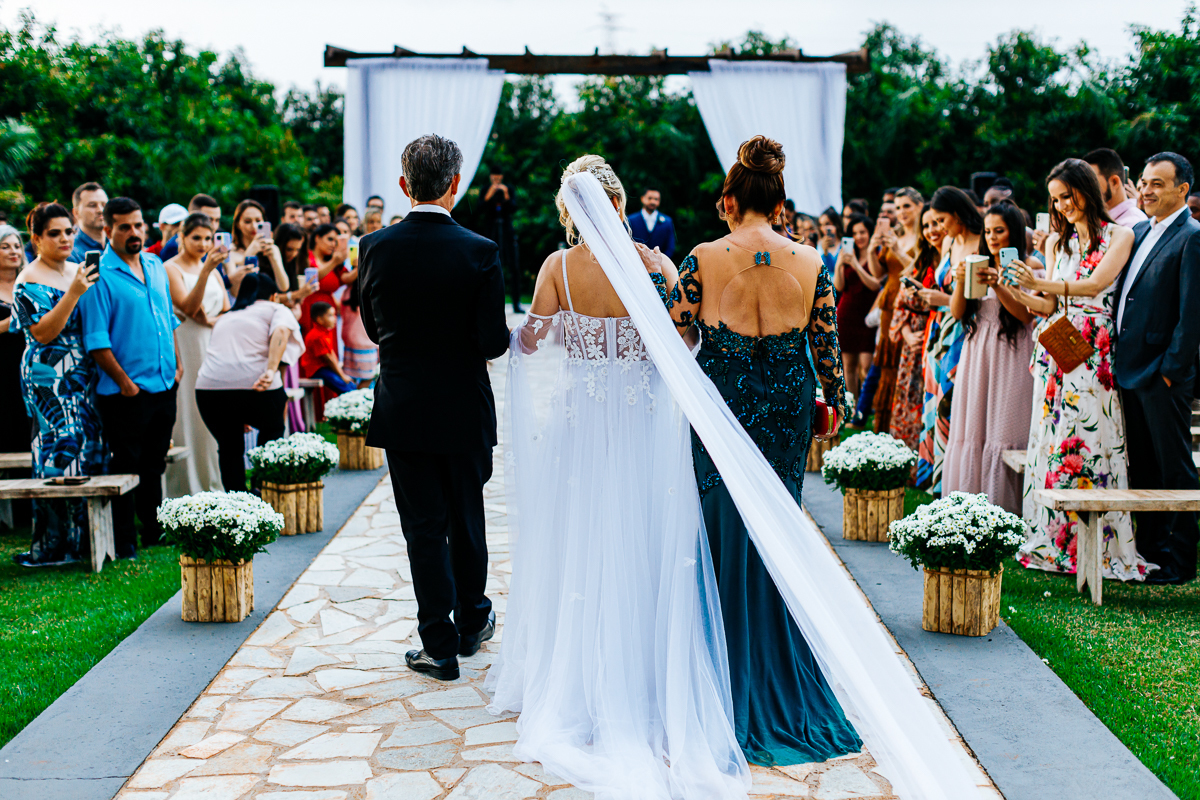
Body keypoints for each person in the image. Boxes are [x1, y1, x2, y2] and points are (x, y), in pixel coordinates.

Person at [487, 154, 751, 796]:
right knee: (642, 535)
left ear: (568, 211)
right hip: (640, 422)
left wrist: (529, 335)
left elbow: (530, 342)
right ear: (620, 202)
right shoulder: (656, 266)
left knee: (581, 537)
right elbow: (684, 345)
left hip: (581, 423)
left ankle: (578, 674)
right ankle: (645, 675)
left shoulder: (557, 268)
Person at [661, 136, 861, 767]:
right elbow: (827, 352)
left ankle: (719, 671)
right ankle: (778, 668)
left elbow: (674, 335)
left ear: (729, 201)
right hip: (784, 411)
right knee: (774, 527)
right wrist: (836, 404)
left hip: (721, 407)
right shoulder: (812, 261)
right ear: (779, 204)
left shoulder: (702, 258)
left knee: (721, 527)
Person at [357, 133, 509, 681]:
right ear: (455, 185)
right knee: (467, 518)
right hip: (465, 408)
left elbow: (372, 327)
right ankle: (472, 622)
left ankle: (439, 647)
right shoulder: (480, 250)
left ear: (404, 185)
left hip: (404, 408)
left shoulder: (373, 247)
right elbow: (493, 341)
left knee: (423, 528)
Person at [1007, 158, 1149, 580]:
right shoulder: (1056, 243)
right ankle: (1054, 539)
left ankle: (1100, 546)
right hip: (1057, 345)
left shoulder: (1120, 235)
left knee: (1091, 435)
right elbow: (1048, 305)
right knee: (1052, 437)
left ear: (1086, 190)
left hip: (1093, 349)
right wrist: (1016, 288)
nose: (1062, 206)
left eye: (1066, 196)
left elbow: (1094, 285)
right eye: (1055, 199)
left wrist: (1040, 283)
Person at [1112, 152, 1200, 583]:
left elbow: (1192, 314)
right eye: (1144, 182)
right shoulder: (1141, 230)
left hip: (1162, 374)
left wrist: (1170, 370)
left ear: (1183, 189)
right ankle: (1149, 550)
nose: (1146, 190)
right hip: (1130, 367)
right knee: (1143, 466)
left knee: (1174, 467)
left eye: (1157, 184)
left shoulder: (1192, 237)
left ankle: (1181, 561)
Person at [79, 197, 180, 556]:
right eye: (124, 227)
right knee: (125, 466)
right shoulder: (97, 274)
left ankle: (154, 529)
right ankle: (124, 540)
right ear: (108, 230)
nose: (134, 232)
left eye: (138, 225)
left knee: (154, 463)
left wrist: (178, 366)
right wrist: (125, 383)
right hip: (125, 392)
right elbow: (96, 340)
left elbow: (169, 319)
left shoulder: (155, 264)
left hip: (165, 383)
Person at [12, 204, 106, 566]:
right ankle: (54, 544)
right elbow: (43, 332)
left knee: (87, 446)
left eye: (69, 231)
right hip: (48, 375)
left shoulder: (76, 269)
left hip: (81, 372)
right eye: (55, 233)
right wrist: (74, 293)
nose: (65, 238)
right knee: (57, 450)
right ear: (36, 239)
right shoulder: (28, 279)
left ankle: (85, 540)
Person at [941, 202, 1038, 513]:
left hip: (1012, 350)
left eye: (999, 230)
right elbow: (958, 312)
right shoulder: (976, 262)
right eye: (987, 231)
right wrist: (961, 280)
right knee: (973, 426)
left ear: (1014, 232)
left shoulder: (1028, 266)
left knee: (1005, 426)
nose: (992, 237)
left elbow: (1025, 315)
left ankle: (1006, 508)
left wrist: (998, 283)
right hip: (977, 350)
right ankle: (969, 506)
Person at [195, 272, 302, 492]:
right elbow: (281, 331)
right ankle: (262, 488)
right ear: (273, 296)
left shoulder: (226, 316)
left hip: (210, 390)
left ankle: (237, 500)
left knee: (229, 446)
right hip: (257, 387)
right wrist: (271, 370)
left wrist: (238, 411)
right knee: (272, 432)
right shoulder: (276, 309)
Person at [915, 187, 981, 494]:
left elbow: (974, 299)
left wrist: (941, 299)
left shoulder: (981, 242)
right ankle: (937, 478)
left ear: (957, 214)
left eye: (942, 220)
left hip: (964, 331)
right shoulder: (951, 242)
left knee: (951, 404)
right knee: (936, 398)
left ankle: (954, 480)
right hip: (940, 331)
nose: (940, 227)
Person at [163, 213, 228, 496]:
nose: (203, 244)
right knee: (188, 409)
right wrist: (205, 272)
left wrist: (212, 320)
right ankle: (184, 486)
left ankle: (213, 481)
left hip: (212, 342)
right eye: (196, 238)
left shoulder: (213, 270)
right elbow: (188, 307)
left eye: (208, 238)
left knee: (212, 412)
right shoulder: (170, 268)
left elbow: (226, 308)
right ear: (182, 237)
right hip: (186, 343)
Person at [868, 187, 922, 432]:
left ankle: (904, 425)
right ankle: (884, 427)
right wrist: (872, 250)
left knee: (904, 363)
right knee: (887, 366)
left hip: (911, 305)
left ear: (920, 206)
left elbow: (920, 271)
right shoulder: (895, 235)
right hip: (889, 303)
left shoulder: (924, 237)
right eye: (898, 207)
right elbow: (878, 273)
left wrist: (898, 252)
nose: (901, 212)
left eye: (906, 206)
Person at [888, 205, 941, 451]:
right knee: (910, 398)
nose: (931, 230)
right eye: (926, 226)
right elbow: (900, 305)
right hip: (914, 342)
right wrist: (907, 334)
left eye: (936, 223)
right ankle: (907, 458)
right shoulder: (920, 261)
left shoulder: (953, 260)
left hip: (939, 337)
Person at [832, 213, 880, 398]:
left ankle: (866, 406)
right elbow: (838, 286)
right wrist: (839, 265)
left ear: (870, 233)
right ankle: (852, 405)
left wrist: (856, 266)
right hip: (847, 313)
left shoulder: (876, 255)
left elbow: (876, 285)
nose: (859, 237)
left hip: (868, 315)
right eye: (854, 233)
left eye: (862, 232)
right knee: (848, 366)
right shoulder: (846, 254)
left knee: (867, 365)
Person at [0, 226, 31, 453]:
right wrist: (12, 322)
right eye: (5, 247)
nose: (14, 251)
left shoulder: (30, 283)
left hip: (28, 365)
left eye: (17, 246)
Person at [229, 199, 288, 298]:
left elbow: (283, 287)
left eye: (258, 221)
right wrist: (250, 253)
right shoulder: (231, 252)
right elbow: (235, 292)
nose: (254, 226)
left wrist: (274, 259)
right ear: (238, 224)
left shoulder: (272, 249)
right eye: (247, 221)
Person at [483, 168, 522, 313]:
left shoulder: (508, 189)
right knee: (490, 266)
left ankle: (516, 303)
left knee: (514, 267)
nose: (496, 180)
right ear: (491, 177)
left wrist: (505, 194)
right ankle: (489, 302)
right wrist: (490, 193)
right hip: (491, 232)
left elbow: (513, 207)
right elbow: (480, 208)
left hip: (507, 232)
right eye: (494, 177)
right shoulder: (486, 189)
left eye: (498, 177)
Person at [298, 223, 348, 332]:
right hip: (310, 310)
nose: (333, 244)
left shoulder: (334, 261)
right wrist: (334, 262)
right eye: (330, 239)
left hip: (329, 314)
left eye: (336, 241)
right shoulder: (307, 257)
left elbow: (346, 278)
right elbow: (312, 278)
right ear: (317, 238)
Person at [1083, 148, 1149, 227]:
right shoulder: (1098, 219)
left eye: (1091, 181)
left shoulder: (1133, 224)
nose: (1085, 188)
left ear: (1114, 182)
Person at [300, 301, 356, 394]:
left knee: (350, 386)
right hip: (317, 370)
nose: (335, 318)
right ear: (320, 320)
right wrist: (342, 376)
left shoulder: (324, 332)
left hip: (324, 367)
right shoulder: (317, 336)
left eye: (334, 315)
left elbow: (331, 353)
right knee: (346, 388)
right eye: (330, 315)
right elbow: (329, 359)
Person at [158, 194, 221, 262]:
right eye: (208, 220)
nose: (214, 226)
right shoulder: (174, 247)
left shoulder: (216, 242)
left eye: (217, 220)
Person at [627, 186, 677, 259]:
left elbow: (670, 247)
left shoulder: (667, 222)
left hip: (660, 263)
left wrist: (661, 261)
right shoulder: (631, 220)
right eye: (650, 198)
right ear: (642, 198)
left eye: (656, 199)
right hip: (636, 260)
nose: (653, 202)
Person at [69, 182, 108, 263]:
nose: (101, 210)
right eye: (92, 205)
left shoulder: (119, 245)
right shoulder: (71, 253)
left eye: (104, 205)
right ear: (76, 213)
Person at [816, 206, 843, 280]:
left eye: (827, 224)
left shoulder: (843, 243)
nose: (824, 228)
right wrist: (825, 252)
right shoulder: (820, 244)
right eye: (821, 225)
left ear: (836, 225)